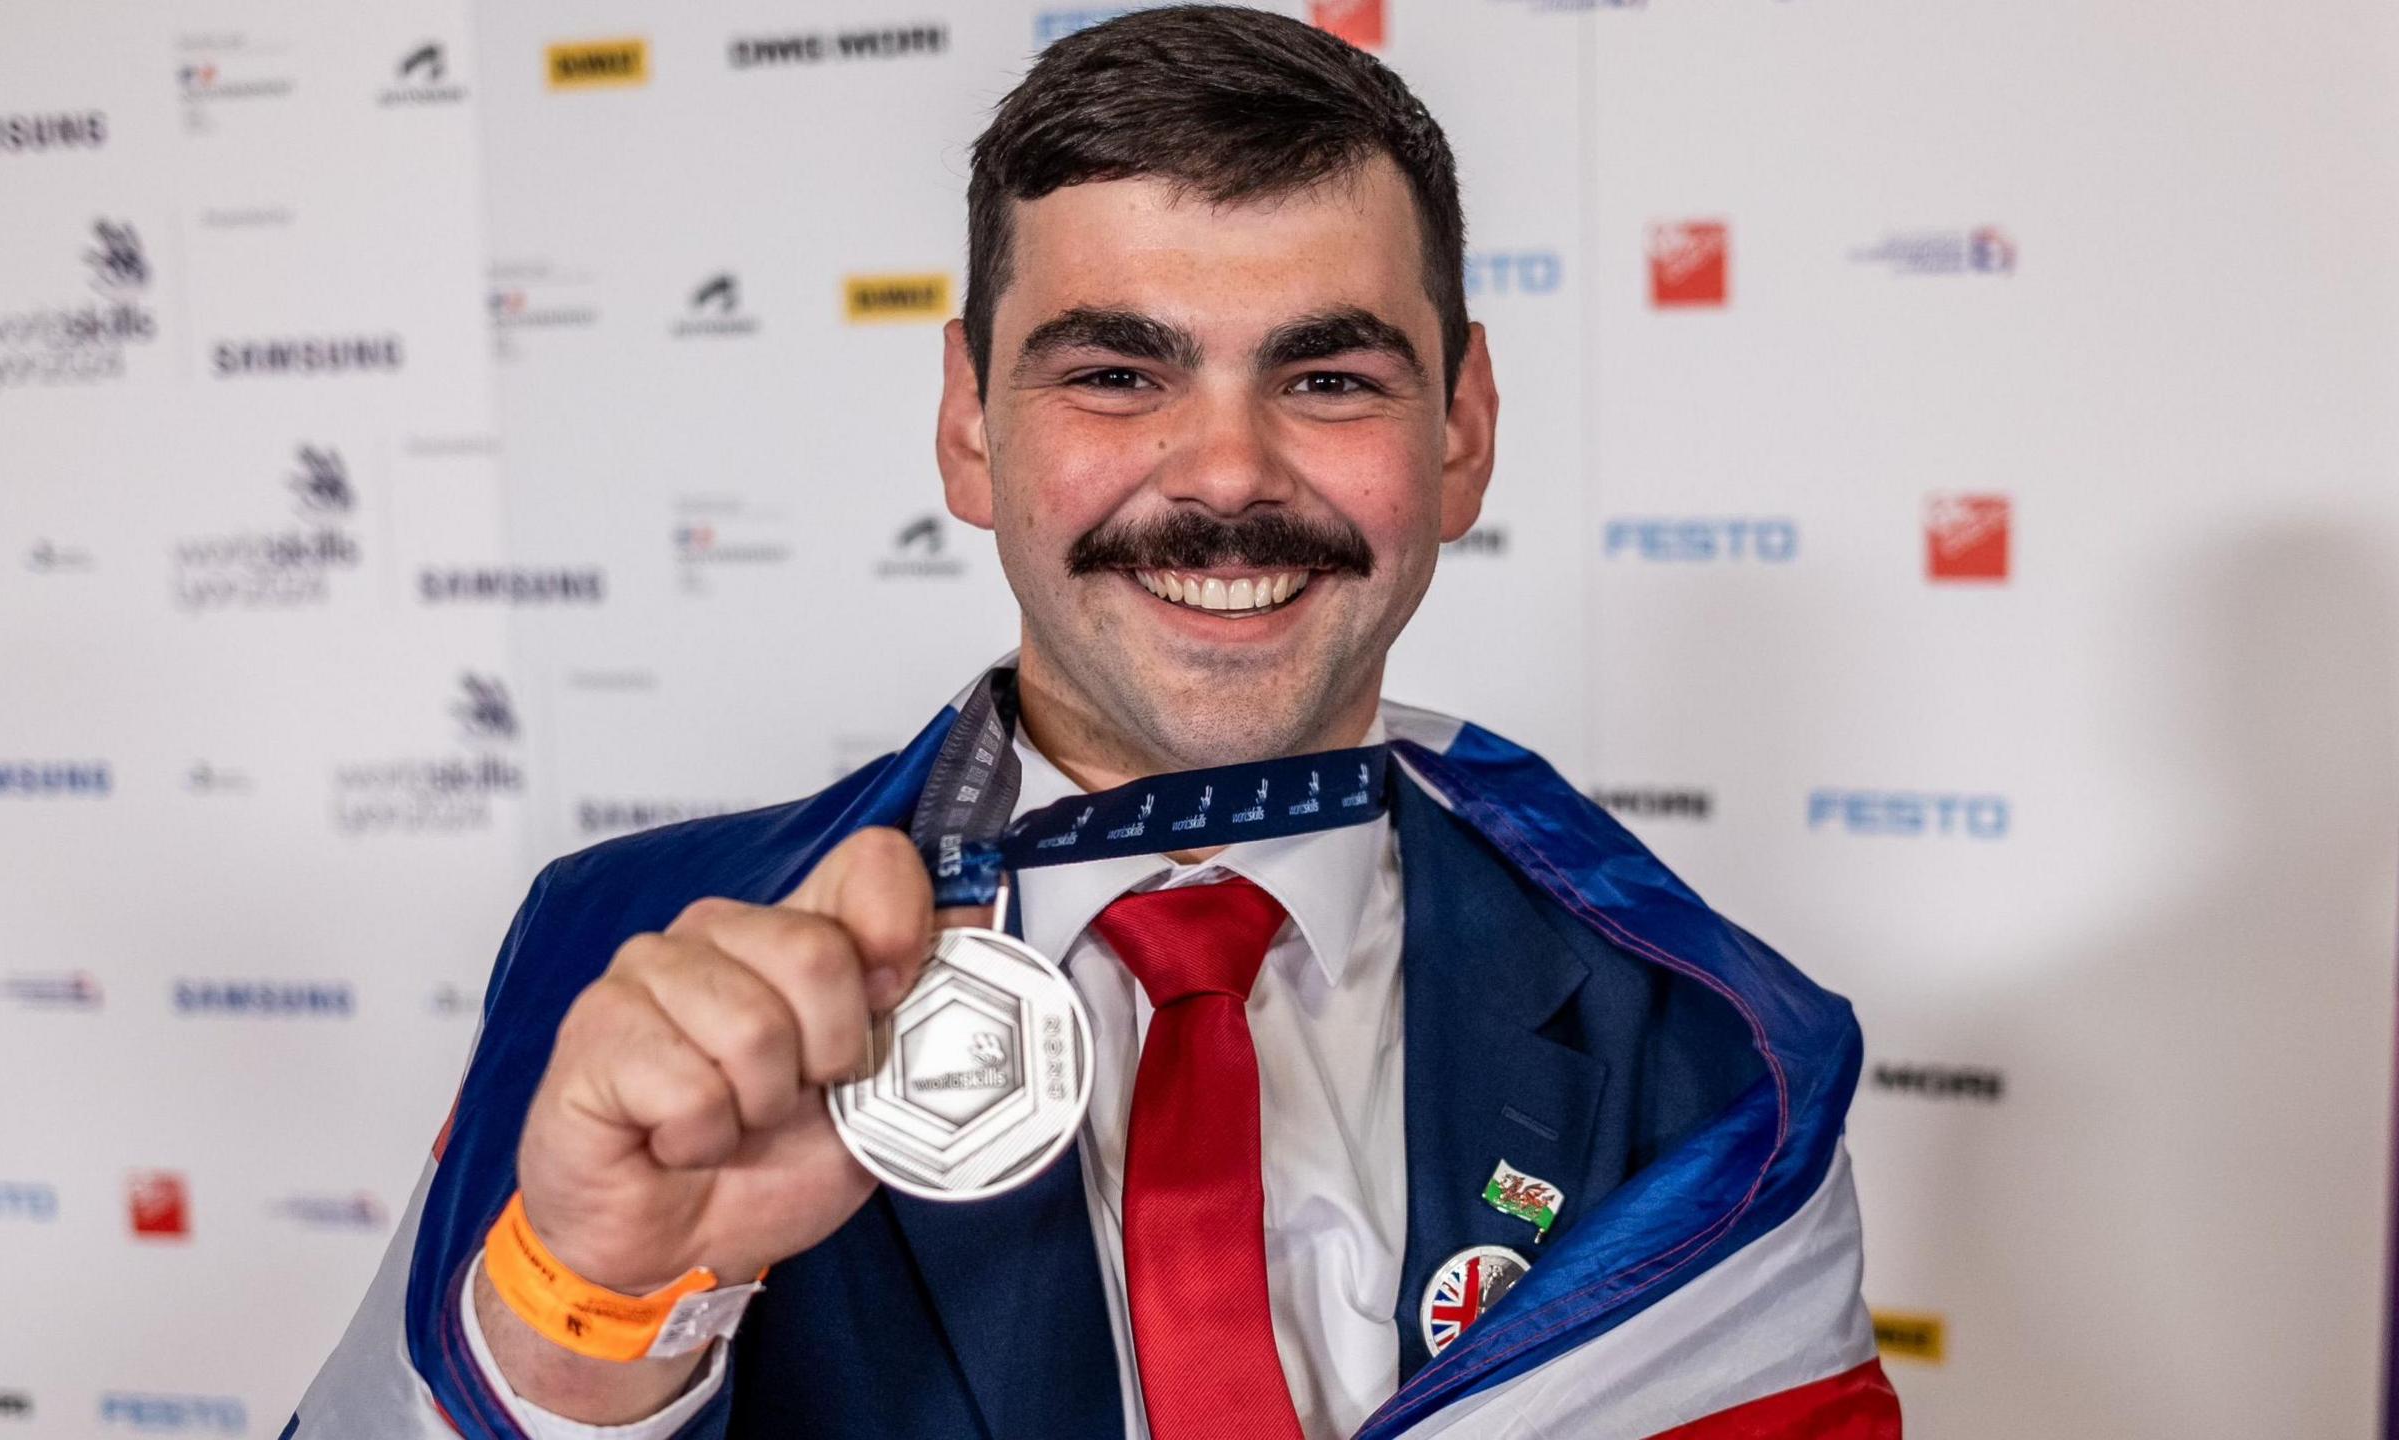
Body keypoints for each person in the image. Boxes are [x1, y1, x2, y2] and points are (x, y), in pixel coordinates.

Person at [288, 8, 1896, 1438]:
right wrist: (594, 1331)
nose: (1223, 474)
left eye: (1328, 379)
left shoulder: (1704, 1047)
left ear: (1462, 429)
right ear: (968, 427)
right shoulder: (638, 955)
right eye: (1118, 376)